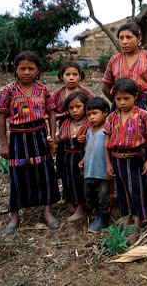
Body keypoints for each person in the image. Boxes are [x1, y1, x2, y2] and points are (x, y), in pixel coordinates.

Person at [0, 51, 60, 235]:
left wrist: (52, 137)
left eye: (31, 68)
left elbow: (52, 113)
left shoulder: (43, 90)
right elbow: (1, 118)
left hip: (39, 136)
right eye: (22, 68)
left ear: (38, 70)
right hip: (18, 138)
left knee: (45, 172)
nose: (26, 72)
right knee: (17, 174)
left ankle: (47, 211)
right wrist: (3, 144)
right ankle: (15, 215)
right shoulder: (8, 91)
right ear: (15, 69)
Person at [102, 22, 147, 209]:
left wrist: (145, 103)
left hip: (144, 103)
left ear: (139, 37)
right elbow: (106, 85)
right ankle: (125, 195)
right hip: (120, 107)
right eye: (121, 38)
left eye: (129, 37)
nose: (125, 41)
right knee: (121, 144)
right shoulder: (114, 60)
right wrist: (120, 102)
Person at [104, 77, 147, 246]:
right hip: (117, 159)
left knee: (137, 191)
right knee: (122, 191)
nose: (122, 102)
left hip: (136, 159)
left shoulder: (143, 115)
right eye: (118, 99)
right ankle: (126, 220)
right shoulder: (112, 117)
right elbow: (106, 143)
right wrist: (108, 163)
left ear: (135, 96)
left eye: (126, 98)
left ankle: (138, 223)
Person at [51, 60, 93, 205]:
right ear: (61, 76)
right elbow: (51, 114)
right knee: (64, 165)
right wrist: (64, 116)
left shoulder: (86, 93)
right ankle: (68, 197)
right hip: (65, 133)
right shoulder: (57, 94)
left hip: (83, 131)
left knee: (81, 166)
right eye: (67, 74)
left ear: (80, 77)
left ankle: (83, 198)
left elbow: (94, 111)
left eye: (75, 74)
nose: (71, 77)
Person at [79, 97, 111, 233]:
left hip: (102, 172)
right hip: (89, 171)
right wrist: (83, 159)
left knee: (104, 197)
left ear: (105, 112)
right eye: (88, 115)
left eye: (94, 113)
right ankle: (97, 216)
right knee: (90, 196)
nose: (91, 118)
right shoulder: (89, 131)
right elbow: (88, 148)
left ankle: (104, 221)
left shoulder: (107, 131)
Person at [58, 92, 90, 221]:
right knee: (67, 179)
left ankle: (81, 207)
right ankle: (69, 201)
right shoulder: (66, 123)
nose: (74, 110)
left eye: (78, 106)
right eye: (71, 108)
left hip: (80, 158)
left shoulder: (89, 123)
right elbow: (61, 137)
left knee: (79, 181)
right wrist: (53, 141)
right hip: (67, 157)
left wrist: (86, 138)